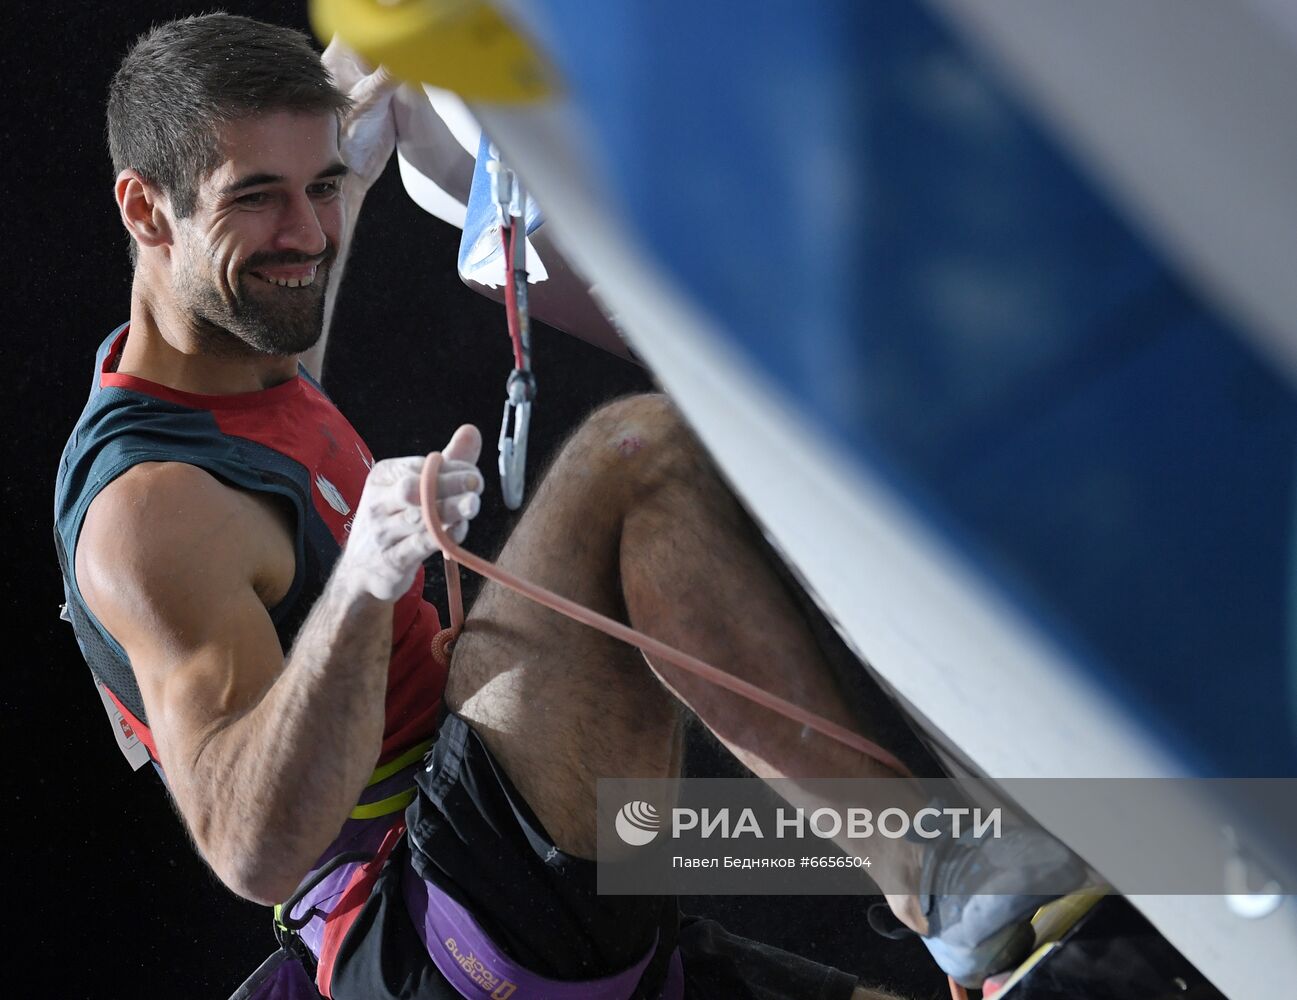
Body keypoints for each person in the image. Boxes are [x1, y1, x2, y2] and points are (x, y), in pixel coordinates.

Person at [54, 14, 1078, 999]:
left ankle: (970, 901)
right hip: (432, 919)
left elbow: (286, 319)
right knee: (633, 460)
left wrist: (362, 150)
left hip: (503, 890)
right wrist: (366, 578)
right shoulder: (153, 515)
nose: (307, 231)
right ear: (145, 210)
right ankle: (937, 869)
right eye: (258, 197)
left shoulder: (224, 356)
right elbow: (250, 849)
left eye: (317, 184)